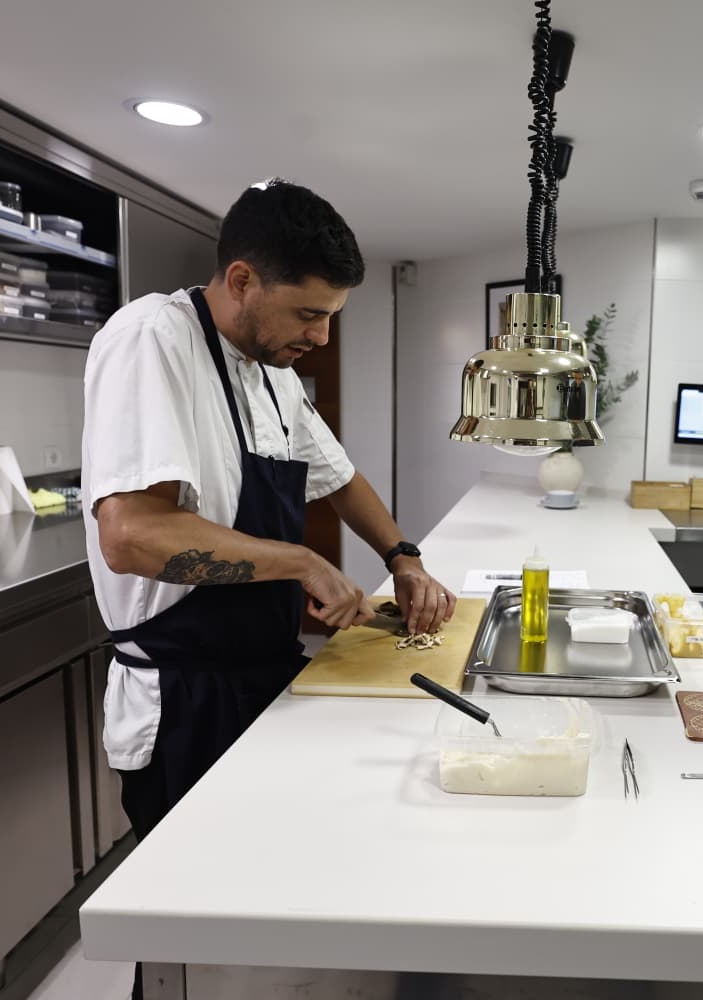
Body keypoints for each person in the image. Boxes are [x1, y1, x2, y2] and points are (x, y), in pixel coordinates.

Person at [82, 180, 455, 995]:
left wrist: (403, 556)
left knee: (266, 911)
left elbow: (341, 477)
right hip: (183, 698)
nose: (320, 337)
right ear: (243, 280)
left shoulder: (275, 372)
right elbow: (132, 535)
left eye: (332, 317)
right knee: (191, 931)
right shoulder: (153, 341)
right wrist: (296, 562)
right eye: (308, 314)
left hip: (263, 673)